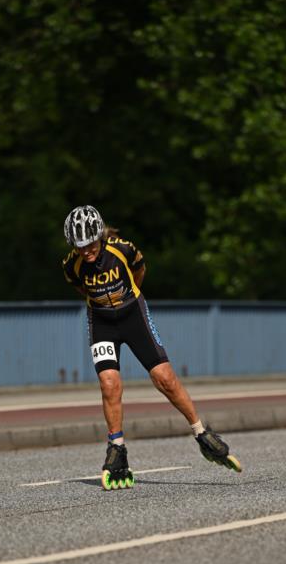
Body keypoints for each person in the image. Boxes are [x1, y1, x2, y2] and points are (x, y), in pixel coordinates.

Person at [62, 204, 241, 489]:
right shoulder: (71, 265)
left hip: (133, 315)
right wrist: (104, 303)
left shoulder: (123, 249)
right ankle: (117, 447)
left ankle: (201, 432)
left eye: (90, 243)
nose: (86, 251)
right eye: (79, 246)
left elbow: (140, 272)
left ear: (100, 235)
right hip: (101, 322)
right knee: (109, 383)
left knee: (164, 378)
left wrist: (126, 299)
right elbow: (80, 287)